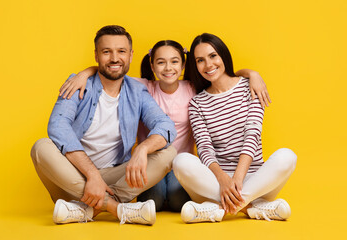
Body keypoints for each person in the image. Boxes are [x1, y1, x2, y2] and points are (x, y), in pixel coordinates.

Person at [59, 40, 271, 212]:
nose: (168, 68)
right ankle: (104, 202)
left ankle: (96, 204)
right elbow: (113, 69)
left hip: (182, 164)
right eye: (161, 63)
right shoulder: (142, 88)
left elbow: (224, 75)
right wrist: (84, 73)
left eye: (174, 62)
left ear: (183, 65)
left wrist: (253, 74)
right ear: (152, 66)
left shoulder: (193, 89)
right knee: (156, 200)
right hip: (153, 164)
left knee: (180, 202)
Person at [30, 25, 178, 226]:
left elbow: (166, 126)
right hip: (71, 176)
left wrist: (142, 149)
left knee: (168, 153)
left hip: (113, 177)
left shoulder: (137, 91)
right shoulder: (78, 84)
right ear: (96, 55)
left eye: (121, 51)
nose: (115, 58)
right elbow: (57, 126)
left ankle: (85, 209)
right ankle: (116, 208)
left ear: (131, 55)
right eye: (107, 52)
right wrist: (92, 175)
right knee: (41, 147)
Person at [173, 33, 297, 223]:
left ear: (223, 55)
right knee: (181, 161)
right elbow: (204, 148)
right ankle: (251, 209)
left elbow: (252, 134)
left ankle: (219, 209)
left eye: (213, 56)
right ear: (195, 66)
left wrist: (237, 180)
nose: (208, 65)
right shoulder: (197, 103)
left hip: (255, 181)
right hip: (215, 183)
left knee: (287, 156)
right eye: (200, 60)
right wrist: (224, 181)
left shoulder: (251, 87)